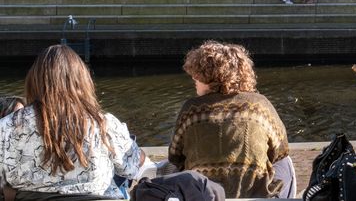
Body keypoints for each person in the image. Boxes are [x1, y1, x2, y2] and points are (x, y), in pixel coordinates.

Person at [0, 45, 144, 199]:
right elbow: (132, 167)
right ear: (82, 80)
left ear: (33, 81)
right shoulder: (103, 124)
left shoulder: (6, 127)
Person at [168, 41, 293, 199]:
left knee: (174, 169)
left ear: (210, 78)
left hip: (204, 195)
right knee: (284, 162)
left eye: (197, 75)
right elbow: (281, 150)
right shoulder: (260, 105)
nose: (193, 79)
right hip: (253, 196)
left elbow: (175, 155)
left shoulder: (190, 109)